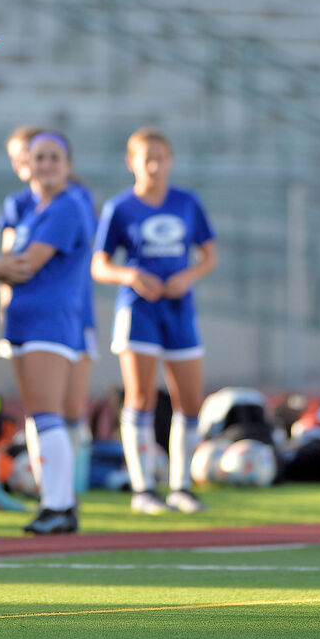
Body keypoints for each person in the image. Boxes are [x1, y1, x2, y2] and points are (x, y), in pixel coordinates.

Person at [92, 127, 217, 515]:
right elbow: (100, 264)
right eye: (147, 158)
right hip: (138, 310)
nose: (155, 165)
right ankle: (143, 488)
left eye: (161, 157)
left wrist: (187, 277)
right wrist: (130, 276)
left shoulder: (187, 203)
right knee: (141, 397)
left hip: (179, 309)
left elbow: (208, 255)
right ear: (132, 162)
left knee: (190, 400)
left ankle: (181, 487)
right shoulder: (120, 207)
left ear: (171, 160)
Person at [0, 132, 93, 534]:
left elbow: (23, 264)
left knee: (47, 414)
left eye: (54, 157)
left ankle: (59, 505)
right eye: (39, 157)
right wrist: (2, 265)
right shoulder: (34, 209)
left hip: (49, 320)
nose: (47, 164)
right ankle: (55, 500)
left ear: (67, 166)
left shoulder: (67, 206)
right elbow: (8, 261)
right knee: (39, 416)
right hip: (27, 321)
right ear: (26, 164)